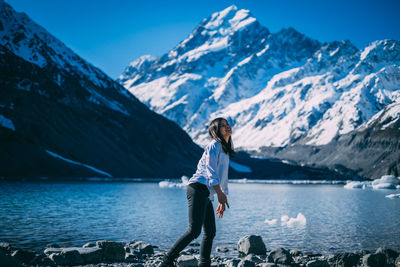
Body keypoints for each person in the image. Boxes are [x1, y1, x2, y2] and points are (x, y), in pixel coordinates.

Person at [159, 117, 236, 267]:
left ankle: (204, 264)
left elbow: (223, 177)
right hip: (197, 188)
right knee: (194, 230)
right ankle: (167, 261)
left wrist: (221, 197)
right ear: (215, 132)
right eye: (223, 126)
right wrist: (219, 194)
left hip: (206, 192)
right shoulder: (214, 145)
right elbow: (211, 171)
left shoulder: (225, 150)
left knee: (210, 231)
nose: (228, 127)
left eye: (228, 125)